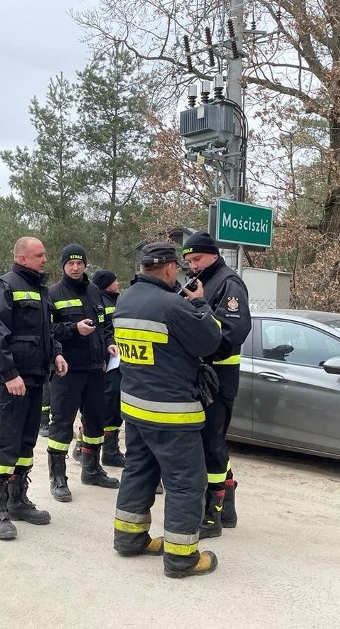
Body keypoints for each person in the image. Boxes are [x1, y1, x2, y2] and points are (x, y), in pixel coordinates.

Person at [111, 242, 222, 578]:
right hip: (173, 413)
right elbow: (210, 341)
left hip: (135, 407)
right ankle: (181, 558)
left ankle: (129, 539)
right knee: (186, 483)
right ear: (171, 269)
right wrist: (200, 302)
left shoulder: (125, 300)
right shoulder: (172, 305)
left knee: (138, 471)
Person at [0, 237, 68, 540]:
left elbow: (46, 331)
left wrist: (56, 352)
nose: (46, 259)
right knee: (4, 445)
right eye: (40, 255)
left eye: (45, 254)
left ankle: (18, 501)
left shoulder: (40, 289)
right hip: (9, 381)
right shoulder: (3, 286)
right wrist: (9, 374)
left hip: (34, 379)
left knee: (26, 445)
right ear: (22, 258)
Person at [181, 232, 251, 538]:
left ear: (213, 254)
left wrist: (199, 307)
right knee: (212, 441)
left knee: (212, 444)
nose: (193, 265)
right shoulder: (202, 281)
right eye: (188, 261)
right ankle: (228, 507)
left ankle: (211, 516)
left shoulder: (228, 283)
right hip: (201, 374)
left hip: (219, 376)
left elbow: (230, 334)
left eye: (197, 259)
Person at [46, 244, 120, 502]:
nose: (75, 268)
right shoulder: (53, 293)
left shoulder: (94, 292)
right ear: (63, 266)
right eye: (70, 264)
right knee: (62, 425)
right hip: (67, 371)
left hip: (95, 369)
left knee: (95, 422)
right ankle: (58, 478)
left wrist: (108, 342)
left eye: (79, 263)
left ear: (85, 265)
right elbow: (48, 330)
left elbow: (105, 325)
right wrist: (74, 329)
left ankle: (91, 469)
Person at [89, 269, 125, 467]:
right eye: (114, 280)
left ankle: (111, 450)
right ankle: (86, 448)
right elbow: (101, 332)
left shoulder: (114, 301)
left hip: (117, 361)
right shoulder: (100, 302)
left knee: (114, 404)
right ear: (105, 284)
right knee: (106, 404)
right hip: (107, 363)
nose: (117, 283)